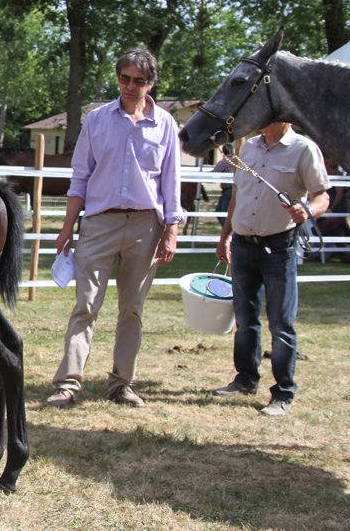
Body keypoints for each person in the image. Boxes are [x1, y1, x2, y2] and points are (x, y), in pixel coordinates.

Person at [46, 48, 183, 408]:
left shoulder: (166, 124)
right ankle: (68, 383)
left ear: (151, 83)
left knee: (132, 309)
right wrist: (67, 227)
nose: (130, 86)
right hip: (99, 222)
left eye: (139, 80)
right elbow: (80, 176)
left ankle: (122, 383)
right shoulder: (96, 120)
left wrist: (171, 230)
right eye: (125, 78)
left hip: (145, 226)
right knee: (85, 305)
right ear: (118, 78)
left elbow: (171, 181)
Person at [211, 122, 330, 416]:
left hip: (279, 248)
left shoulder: (303, 149)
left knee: (281, 323)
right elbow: (237, 195)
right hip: (243, 244)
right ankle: (245, 379)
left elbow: (322, 196)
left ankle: (283, 392)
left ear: (284, 117)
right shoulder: (248, 148)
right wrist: (225, 237)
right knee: (245, 319)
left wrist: (308, 211)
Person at [211, 155, 234, 226]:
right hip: (236, 189)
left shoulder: (225, 161)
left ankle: (227, 230)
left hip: (229, 190)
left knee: (221, 212)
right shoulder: (240, 161)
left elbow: (213, 174)